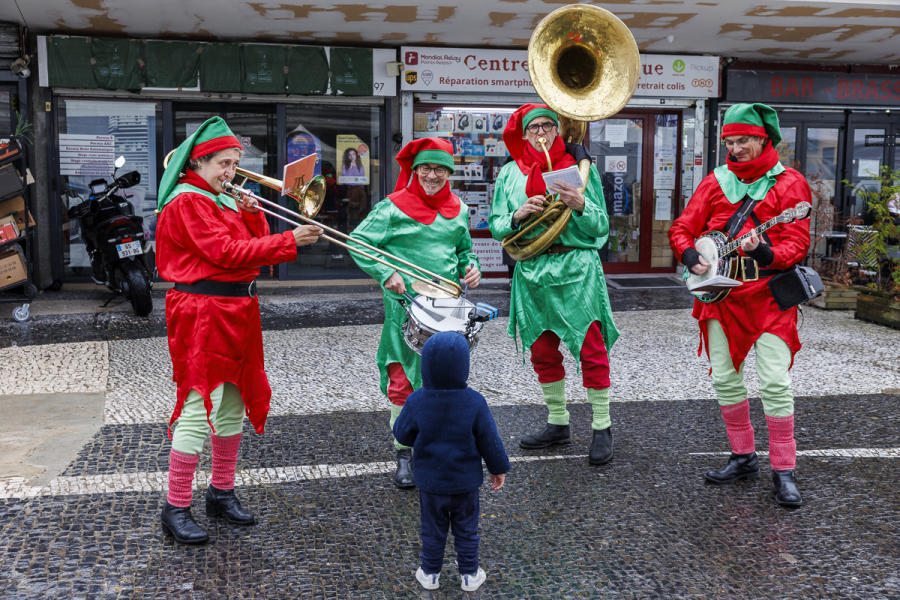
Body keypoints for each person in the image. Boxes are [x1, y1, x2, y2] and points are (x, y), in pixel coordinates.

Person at [155, 117, 323, 544]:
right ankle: (175, 506)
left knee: (231, 403)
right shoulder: (187, 200)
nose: (231, 173)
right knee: (198, 406)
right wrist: (291, 241)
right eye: (224, 164)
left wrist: (251, 215)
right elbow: (224, 253)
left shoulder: (219, 199)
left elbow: (251, 252)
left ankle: (221, 492)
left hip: (236, 308)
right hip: (204, 311)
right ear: (199, 161)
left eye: (234, 163)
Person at [668, 103, 811, 507]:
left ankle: (784, 469)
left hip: (768, 298)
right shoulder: (716, 181)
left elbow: (798, 243)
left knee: (774, 383)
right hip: (720, 298)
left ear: (764, 139)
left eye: (743, 140)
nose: (735, 149)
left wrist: (765, 252)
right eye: (729, 142)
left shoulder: (791, 184)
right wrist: (690, 256)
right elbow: (683, 227)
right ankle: (743, 457)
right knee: (726, 380)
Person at [488, 103, 619, 465]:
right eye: (535, 128)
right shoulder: (510, 174)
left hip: (577, 268)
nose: (542, 132)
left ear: (558, 130)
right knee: (542, 350)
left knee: (591, 348)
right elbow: (497, 224)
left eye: (549, 126)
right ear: (525, 134)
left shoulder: (580, 169)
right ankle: (558, 422)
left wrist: (580, 204)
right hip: (532, 270)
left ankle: (602, 426)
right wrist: (517, 215)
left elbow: (600, 227)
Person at [349, 137, 481, 488]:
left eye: (440, 169)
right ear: (415, 169)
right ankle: (403, 453)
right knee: (403, 381)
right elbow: (357, 242)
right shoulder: (391, 208)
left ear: (449, 172)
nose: (432, 175)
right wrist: (385, 273)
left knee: (445, 384)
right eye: (426, 168)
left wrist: (472, 267)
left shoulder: (459, 208)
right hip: (405, 308)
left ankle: (435, 449)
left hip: (449, 310)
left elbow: (465, 250)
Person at [393, 331, 510, 593]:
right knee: (467, 530)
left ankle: (430, 573)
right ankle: (469, 575)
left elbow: (402, 435)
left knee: (432, 530)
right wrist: (498, 469)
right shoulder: (475, 401)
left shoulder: (416, 400)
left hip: (430, 483)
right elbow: (490, 440)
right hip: (465, 483)